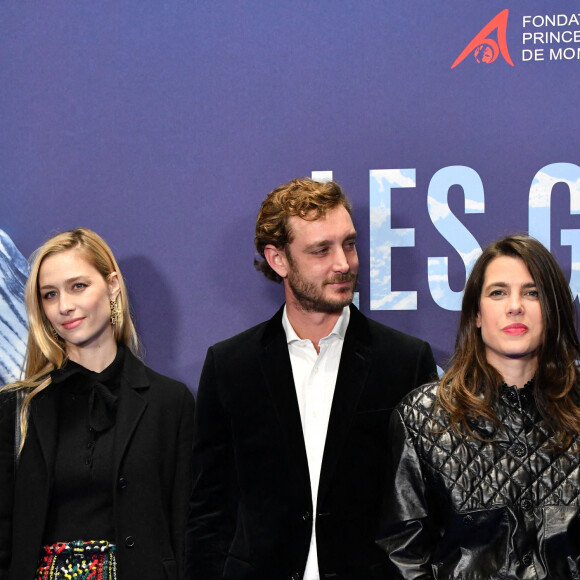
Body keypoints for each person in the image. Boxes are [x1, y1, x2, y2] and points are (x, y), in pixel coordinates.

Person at [186, 177, 437, 579]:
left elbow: (425, 505)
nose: (344, 263)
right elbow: (209, 510)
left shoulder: (404, 361)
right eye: (321, 250)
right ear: (278, 259)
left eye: (349, 244)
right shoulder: (230, 365)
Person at [377, 234, 580, 579]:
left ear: (553, 310)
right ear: (476, 314)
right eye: (498, 292)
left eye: (532, 293)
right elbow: (403, 554)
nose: (515, 306)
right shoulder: (422, 417)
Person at [0, 228, 195, 580]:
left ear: (113, 286)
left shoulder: (170, 402)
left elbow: (186, 525)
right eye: (49, 294)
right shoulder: (17, 408)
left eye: (78, 286)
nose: (64, 306)